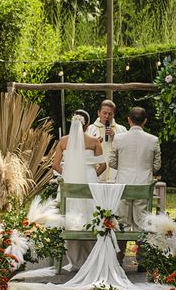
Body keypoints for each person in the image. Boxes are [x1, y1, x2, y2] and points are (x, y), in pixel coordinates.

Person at [52, 110, 106, 270]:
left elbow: (55, 165)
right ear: (87, 125)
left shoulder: (63, 141)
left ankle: (75, 260)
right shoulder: (94, 141)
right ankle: (93, 258)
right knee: (91, 217)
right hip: (90, 182)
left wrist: (68, 174)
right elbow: (103, 165)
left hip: (70, 182)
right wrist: (92, 175)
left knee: (71, 217)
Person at [109, 107, 161, 268]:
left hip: (123, 184)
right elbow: (157, 166)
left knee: (122, 222)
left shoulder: (118, 138)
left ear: (129, 120)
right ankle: (143, 261)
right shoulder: (153, 140)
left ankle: (118, 258)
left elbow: (112, 162)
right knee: (142, 222)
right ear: (145, 121)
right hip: (143, 184)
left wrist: (123, 168)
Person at [86, 99, 128, 182]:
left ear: (113, 115)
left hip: (116, 174)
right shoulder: (90, 129)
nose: (107, 116)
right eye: (104, 113)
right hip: (97, 173)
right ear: (99, 113)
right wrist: (94, 144)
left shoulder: (122, 130)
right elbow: (84, 150)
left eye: (110, 114)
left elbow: (127, 150)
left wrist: (115, 137)